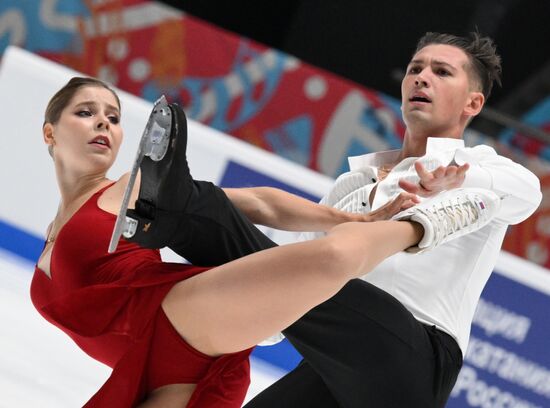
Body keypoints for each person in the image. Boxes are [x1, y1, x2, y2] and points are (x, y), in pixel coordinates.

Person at [123, 32, 541, 408]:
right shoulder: (353, 183)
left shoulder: (482, 170)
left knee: (323, 266)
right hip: (339, 360)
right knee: (285, 267)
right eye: (415, 68)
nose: (421, 77)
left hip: (413, 360)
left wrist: (461, 177)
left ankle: (178, 208)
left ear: (473, 102)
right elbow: (285, 274)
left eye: (441, 71)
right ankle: (167, 214)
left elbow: (527, 193)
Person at [30, 77, 496, 407]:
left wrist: (346, 218)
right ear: (50, 132)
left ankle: (409, 230)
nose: (103, 125)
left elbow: (260, 203)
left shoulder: (128, 187)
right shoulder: (54, 230)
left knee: (328, 258)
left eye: (112, 117)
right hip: (150, 372)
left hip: (177, 316)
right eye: (86, 113)